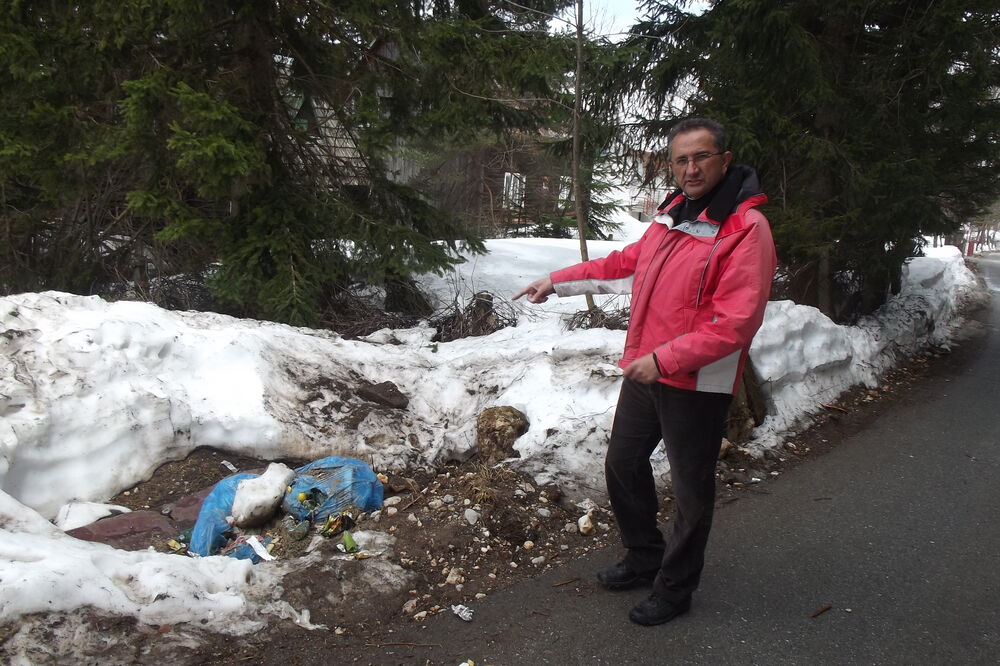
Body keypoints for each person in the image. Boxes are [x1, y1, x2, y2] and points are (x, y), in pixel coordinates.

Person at [514, 118, 777, 626]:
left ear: (725, 160)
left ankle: (676, 588)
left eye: (701, 157)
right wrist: (556, 280)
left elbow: (735, 323)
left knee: (691, 489)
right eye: (681, 159)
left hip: (695, 381)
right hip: (646, 370)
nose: (691, 168)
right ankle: (644, 555)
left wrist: (664, 361)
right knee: (623, 465)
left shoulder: (747, 229)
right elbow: (626, 263)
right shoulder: (673, 215)